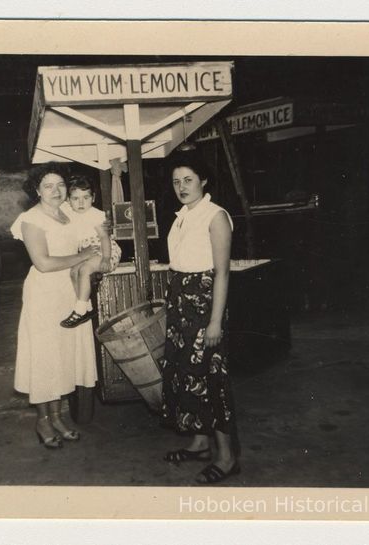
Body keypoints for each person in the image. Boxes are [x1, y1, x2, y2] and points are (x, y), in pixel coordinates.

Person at [159, 152, 240, 484]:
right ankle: (199, 443)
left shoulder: (215, 216)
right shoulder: (182, 216)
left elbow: (221, 273)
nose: (181, 187)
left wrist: (215, 322)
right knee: (185, 374)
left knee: (211, 379)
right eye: (176, 181)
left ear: (203, 180)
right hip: (181, 304)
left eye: (188, 180)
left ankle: (227, 457)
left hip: (205, 305)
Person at [10, 164, 100, 449]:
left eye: (60, 184)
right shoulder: (31, 219)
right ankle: (42, 421)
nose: (56, 190)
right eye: (48, 186)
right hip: (44, 292)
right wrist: (83, 256)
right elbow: (44, 262)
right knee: (45, 357)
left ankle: (58, 417)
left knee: (63, 356)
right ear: (37, 190)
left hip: (69, 291)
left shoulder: (70, 214)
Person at [59, 175, 122, 328]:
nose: (81, 203)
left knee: (85, 270)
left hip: (105, 250)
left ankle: (79, 310)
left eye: (86, 198)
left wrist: (106, 259)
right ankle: (87, 307)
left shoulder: (95, 215)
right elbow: (60, 205)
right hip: (89, 252)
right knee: (74, 272)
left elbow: (104, 237)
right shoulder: (71, 212)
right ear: (68, 200)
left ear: (93, 198)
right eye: (75, 199)